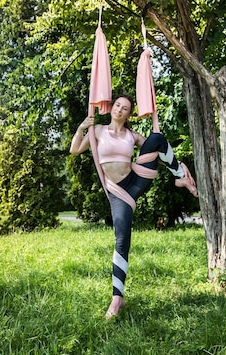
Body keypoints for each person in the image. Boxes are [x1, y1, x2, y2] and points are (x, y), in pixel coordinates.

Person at [69, 94, 198, 319]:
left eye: (125, 108)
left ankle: (179, 176)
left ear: (129, 114)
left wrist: (176, 162)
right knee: (121, 239)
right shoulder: (97, 131)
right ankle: (117, 298)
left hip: (136, 180)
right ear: (111, 108)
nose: (119, 110)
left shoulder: (132, 135)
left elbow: (155, 149)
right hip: (117, 191)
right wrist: (82, 127)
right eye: (117, 105)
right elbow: (74, 149)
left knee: (157, 138)